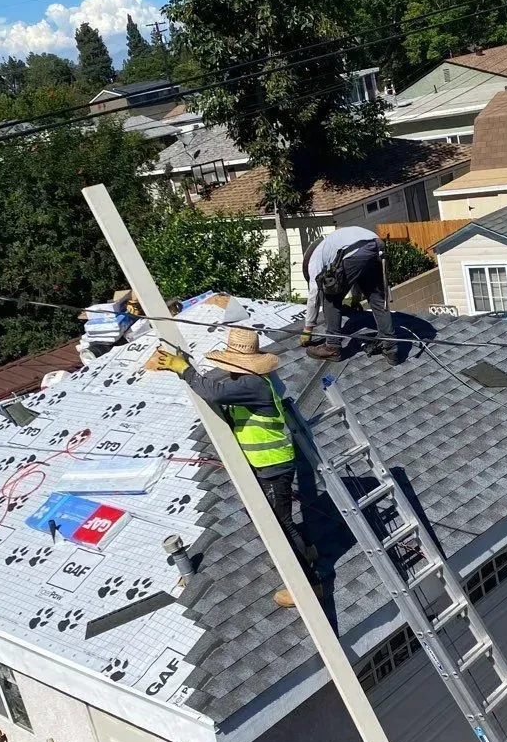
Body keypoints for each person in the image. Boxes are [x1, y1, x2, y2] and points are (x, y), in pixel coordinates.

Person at [153, 328, 321, 609]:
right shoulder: (258, 380)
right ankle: (308, 551)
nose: (228, 371)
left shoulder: (251, 385)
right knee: (283, 519)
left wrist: (184, 369)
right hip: (272, 462)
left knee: (279, 525)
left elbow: (212, 392)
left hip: (272, 465)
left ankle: (307, 585)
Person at [301, 228, 396, 364]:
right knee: (377, 298)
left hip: (360, 250)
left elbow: (314, 295)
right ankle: (391, 346)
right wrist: (355, 301)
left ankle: (332, 347)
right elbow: (356, 275)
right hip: (376, 245)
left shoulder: (314, 261)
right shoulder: (333, 244)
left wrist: (308, 329)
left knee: (331, 297)